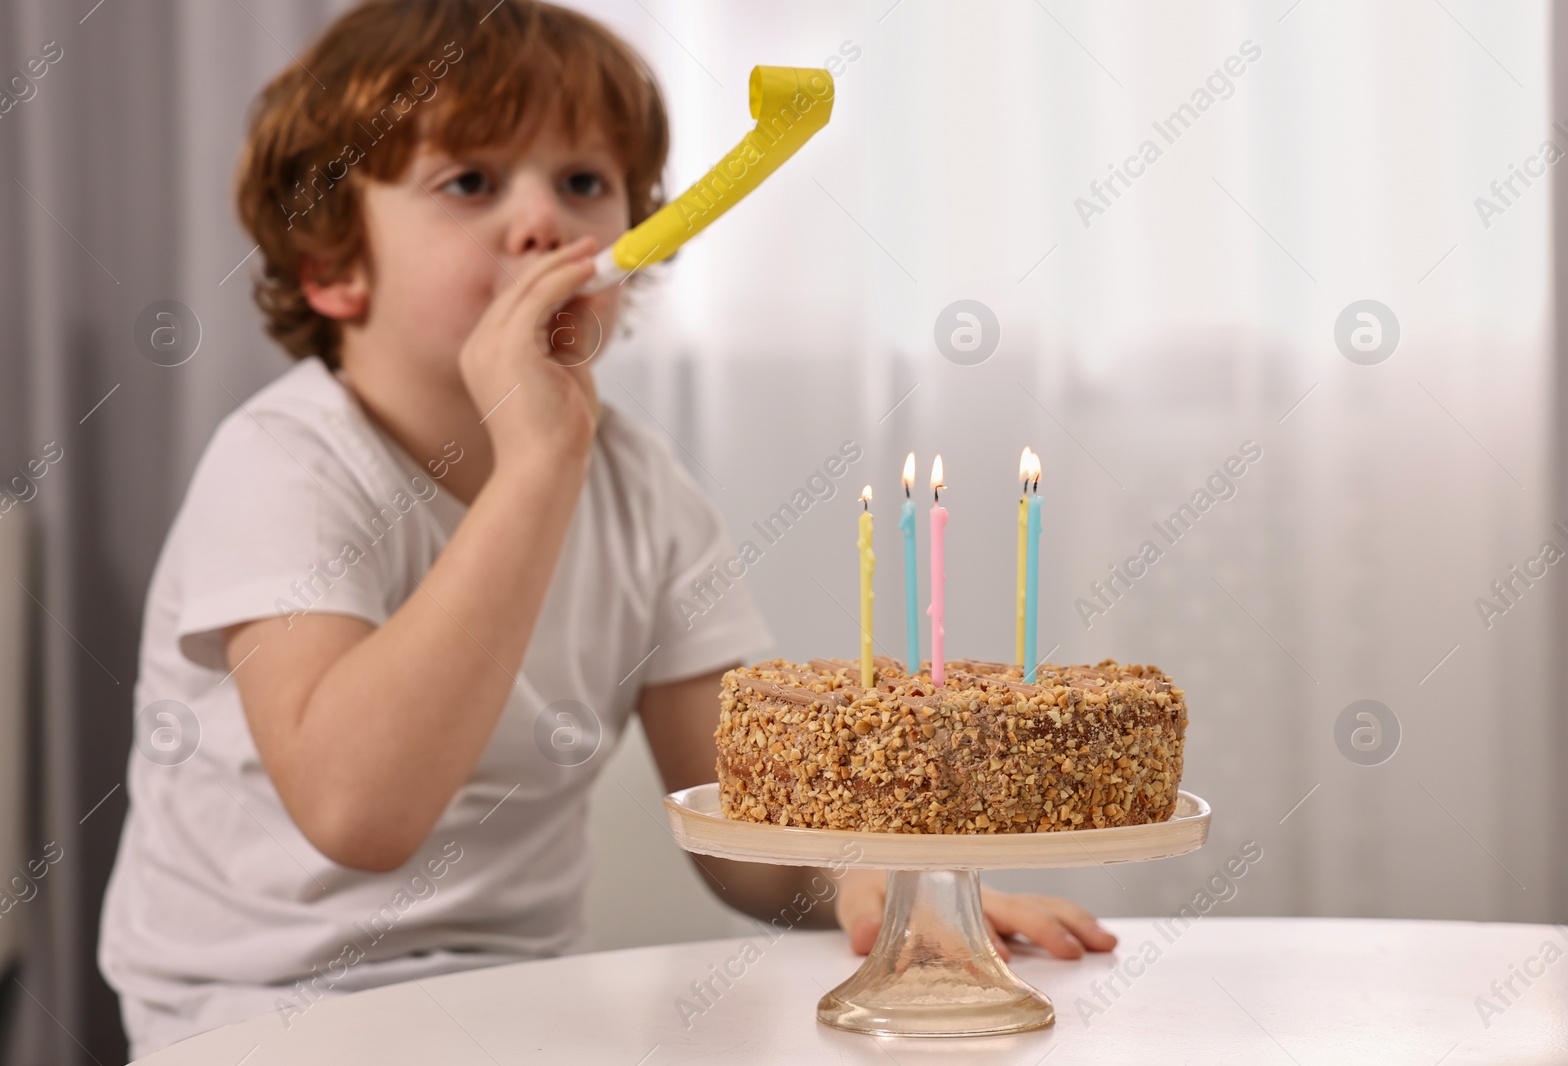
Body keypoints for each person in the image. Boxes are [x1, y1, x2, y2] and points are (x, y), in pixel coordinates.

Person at [97, 0, 1114, 1055]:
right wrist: (536, 467)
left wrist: (866, 884)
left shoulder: (640, 489)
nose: (545, 223)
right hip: (249, 1019)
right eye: (470, 183)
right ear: (331, 265)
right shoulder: (283, 462)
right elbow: (360, 813)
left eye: (583, 183)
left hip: (512, 1001)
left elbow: (743, 820)